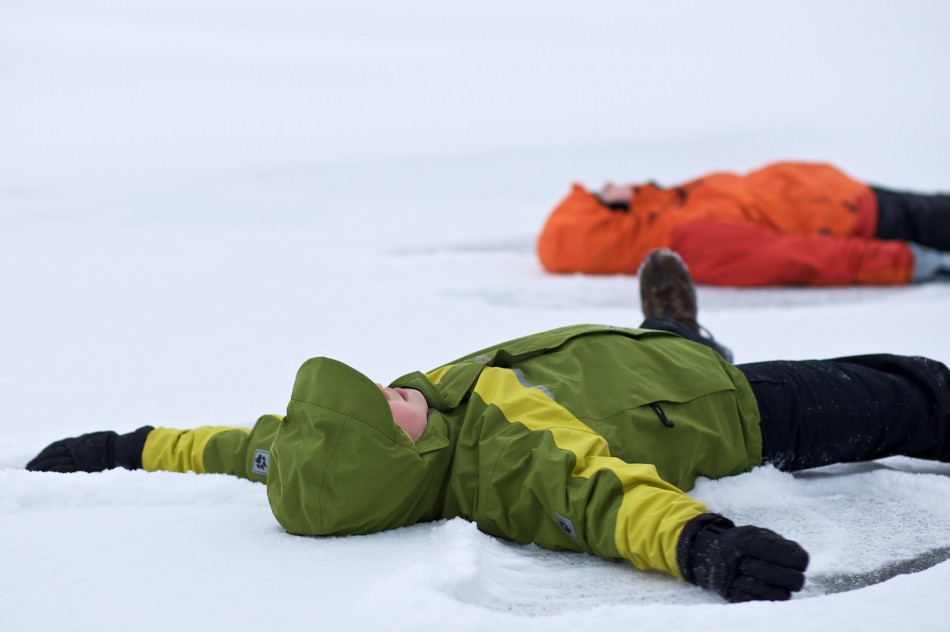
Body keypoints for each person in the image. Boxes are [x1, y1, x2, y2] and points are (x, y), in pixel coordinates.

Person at [26, 251, 950, 603]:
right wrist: (700, 545)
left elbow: (229, 446)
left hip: (633, 358)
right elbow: (596, 492)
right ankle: (685, 339)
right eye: (385, 405)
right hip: (734, 411)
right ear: (406, 453)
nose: (392, 386)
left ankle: (673, 324)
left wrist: (122, 447)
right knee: (911, 392)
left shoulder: (308, 451)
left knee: (667, 338)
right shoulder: (501, 454)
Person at [537, 161, 950, 286]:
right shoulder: (691, 238)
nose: (611, 182)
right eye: (600, 196)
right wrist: (909, 261)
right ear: (608, 223)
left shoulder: (666, 206)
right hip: (873, 224)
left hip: (851, 197)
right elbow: (798, 258)